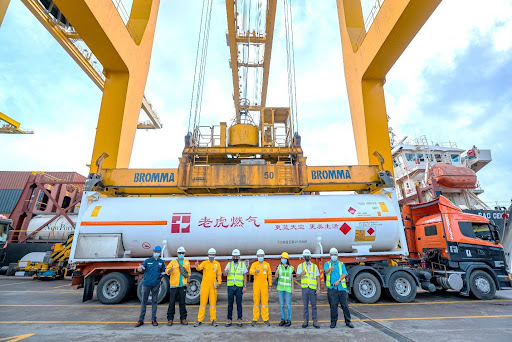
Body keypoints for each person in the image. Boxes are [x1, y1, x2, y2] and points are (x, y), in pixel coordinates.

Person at [135, 245, 166, 327]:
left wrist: (160, 282)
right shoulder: (148, 261)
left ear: (160, 253)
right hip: (146, 284)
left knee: (154, 302)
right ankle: (141, 320)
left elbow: (163, 274)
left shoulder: (161, 262)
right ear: (153, 252)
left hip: (156, 284)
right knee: (144, 302)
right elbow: (141, 268)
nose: (156, 253)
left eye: (158, 252)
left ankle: (153, 319)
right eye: (155, 252)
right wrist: (139, 268)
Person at [324, 247, 353, 329]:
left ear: (337, 255)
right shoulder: (327, 264)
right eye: (332, 254)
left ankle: (348, 322)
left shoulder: (341, 264)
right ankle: (333, 322)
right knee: (333, 307)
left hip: (341, 289)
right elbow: (325, 271)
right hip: (332, 289)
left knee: (345, 306)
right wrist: (330, 269)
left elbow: (344, 274)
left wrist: (339, 280)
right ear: (330, 255)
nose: (334, 256)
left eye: (335, 254)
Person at [194, 248, 222, 327]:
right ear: (208, 255)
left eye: (213, 255)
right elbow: (199, 268)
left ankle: (213, 320)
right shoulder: (204, 263)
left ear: (215, 255)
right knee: (203, 303)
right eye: (210, 255)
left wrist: (219, 282)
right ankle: (199, 320)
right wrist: (197, 266)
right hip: (205, 286)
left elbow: (219, 274)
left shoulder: (217, 264)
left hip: (213, 286)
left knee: (213, 304)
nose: (211, 256)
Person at [166, 246, 191, 326]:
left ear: (184, 253)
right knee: (172, 303)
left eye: (182, 253)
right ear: (177, 253)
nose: (181, 254)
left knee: (182, 303)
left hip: (182, 285)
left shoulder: (187, 262)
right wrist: (170, 270)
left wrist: (188, 282)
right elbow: (167, 271)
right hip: (174, 285)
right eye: (180, 253)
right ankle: (170, 319)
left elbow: (188, 273)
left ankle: (183, 318)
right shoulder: (173, 262)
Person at [296, 249, 320, 329]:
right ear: (303, 257)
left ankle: (315, 321)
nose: (307, 257)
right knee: (305, 305)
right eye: (305, 256)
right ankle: (305, 320)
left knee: (314, 305)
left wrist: (318, 288)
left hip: (313, 289)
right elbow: (297, 277)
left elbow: (317, 277)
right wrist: (301, 274)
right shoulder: (300, 266)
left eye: (308, 256)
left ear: (310, 257)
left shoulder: (314, 266)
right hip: (305, 288)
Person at [223, 249, 247, 327]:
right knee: (230, 304)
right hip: (230, 286)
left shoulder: (242, 264)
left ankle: (239, 319)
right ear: (232, 257)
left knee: (239, 304)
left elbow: (245, 275)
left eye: (237, 256)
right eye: (234, 256)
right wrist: (225, 272)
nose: (235, 257)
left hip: (239, 287)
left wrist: (244, 286)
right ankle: (229, 319)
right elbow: (224, 273)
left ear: (239, 257)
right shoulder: (229, 264)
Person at [249, 249, 272, 326]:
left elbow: (269, 275)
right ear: (257, 256)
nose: (260, 257)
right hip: (256, 285)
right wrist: (255, 271)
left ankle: (265, 318)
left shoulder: (267, 264)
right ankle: (255, 318)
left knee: (265, 302)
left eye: (261, 256)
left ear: (264, 256)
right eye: (259, 256)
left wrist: (270, 285)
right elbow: (250, 272)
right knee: (256, 302)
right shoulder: (255, 264)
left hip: (264, 285)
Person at [275, 252, 294, 327]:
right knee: (282, 305)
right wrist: (276, 273)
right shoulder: (278, 267)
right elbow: (276, 277)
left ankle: (289, 320)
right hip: (280, 288)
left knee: (288, 305)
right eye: (282, 258)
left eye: (285, 258)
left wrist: (293, 288)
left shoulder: (291, 268)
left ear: (287, 259)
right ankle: (283, 319)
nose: (283, 259)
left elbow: (292, 278)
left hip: (288, 288)